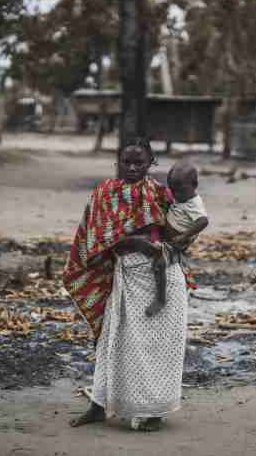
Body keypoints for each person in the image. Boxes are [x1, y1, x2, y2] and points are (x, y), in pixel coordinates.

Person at [63, 137, 193, 432]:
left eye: (139, 162)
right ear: (117, 162)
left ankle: (153, 410)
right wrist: (131, 241)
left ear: (151, 164)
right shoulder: (104, 193)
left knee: (159, 347)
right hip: (126, 277)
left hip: (164, 278)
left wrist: (158, 247)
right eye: (126, 162)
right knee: (112, 343)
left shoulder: (162, 193)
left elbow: (184, 233)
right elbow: (92, 238)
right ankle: (98, 406)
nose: (132, 167)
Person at [146, 161, 209, 317]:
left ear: (195, 185)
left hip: (176, 242)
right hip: (167, 233)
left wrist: (184, 236)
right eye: (173, 190)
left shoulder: (194, 203)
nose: (176, 195)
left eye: (180, 192)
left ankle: (161, 299)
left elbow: (203, 221)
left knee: (159, 264)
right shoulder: (180, 195)